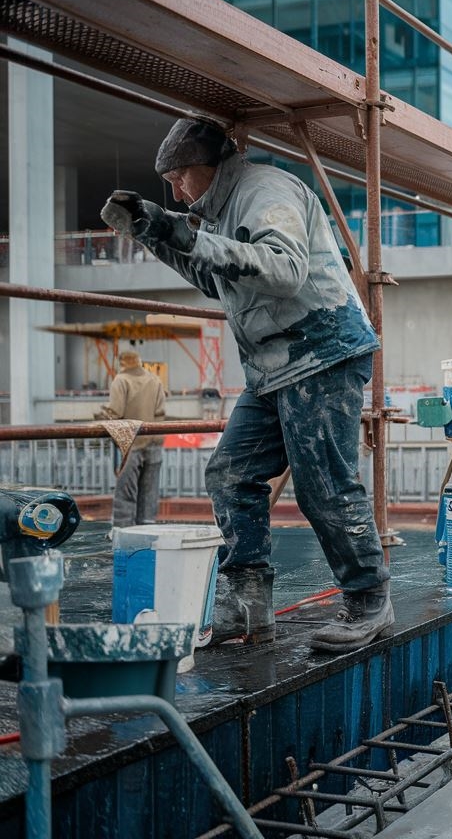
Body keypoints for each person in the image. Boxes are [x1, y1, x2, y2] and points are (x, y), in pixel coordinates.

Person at [99, 116, 392, 653]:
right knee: (231, 473)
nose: (176, 192)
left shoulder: (264, 191)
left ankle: (369, 599)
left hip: (320, 350)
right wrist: (156, 231)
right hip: (274, 365)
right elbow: (215, 277)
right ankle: (248, 604)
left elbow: (284, 270)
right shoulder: (222, 210)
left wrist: (189, 235)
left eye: (179, 178)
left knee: (325, 483)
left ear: (208, 166)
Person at [96, 349, 166, 529]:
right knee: (149, 495)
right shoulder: (155, 380)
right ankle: (148, 533)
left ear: (122, 363)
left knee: (126, 494)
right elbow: (160, 413)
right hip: (154, 442)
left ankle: (123, 533)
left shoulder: (121, 380)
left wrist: (99, 416)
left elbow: (115, 411)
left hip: (131, 443)